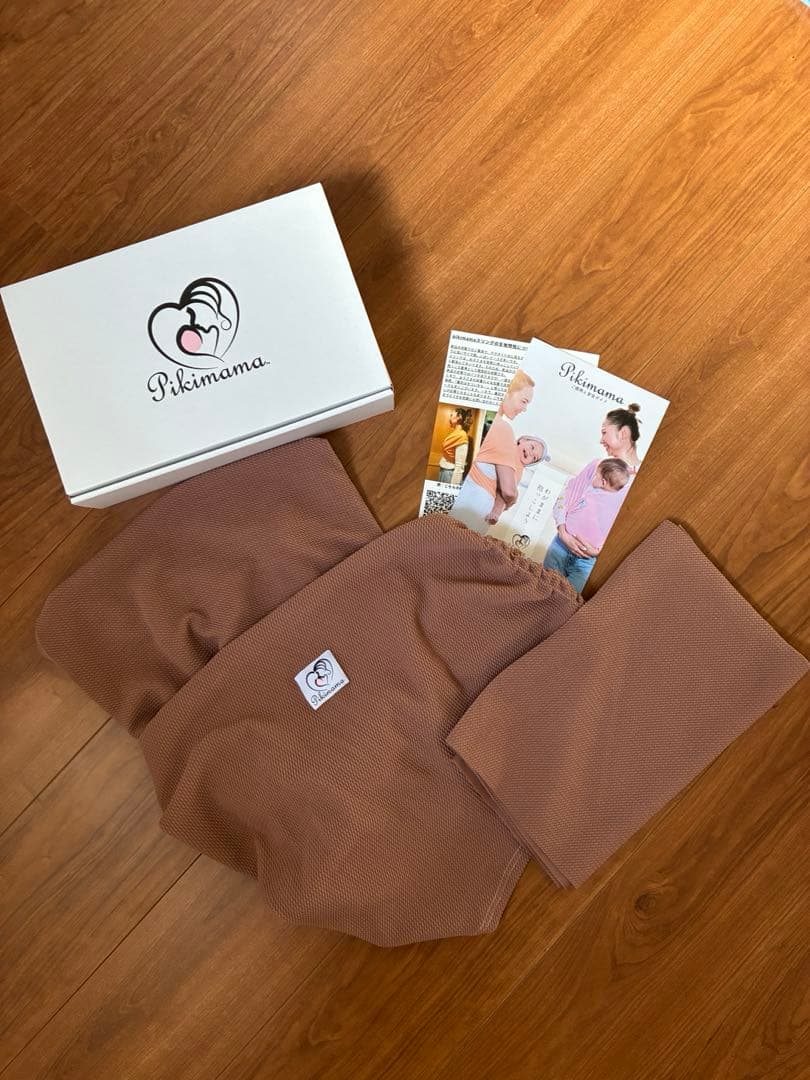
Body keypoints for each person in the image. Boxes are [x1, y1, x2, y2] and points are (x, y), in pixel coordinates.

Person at [450, 370, 535, 533]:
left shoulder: (478, 418)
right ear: (506, 392)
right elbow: (508, 491)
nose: (524, 409)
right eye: (524, 401)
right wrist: (513, 499)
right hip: (475, 508)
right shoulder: (504, 429)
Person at [543, 458, 630, 592]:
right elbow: (565, 499)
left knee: (569, 595)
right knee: (544, 583)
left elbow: (620, 534)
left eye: (596, 475)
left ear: (603, 482)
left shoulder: (623, 500)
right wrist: (563, 531)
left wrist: (598, 552)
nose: (593, 477)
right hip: (561, 544)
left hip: (587, 559)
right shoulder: (588, 485)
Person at [600, 403, 643, 475]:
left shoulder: (599, 468)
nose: (601, 441)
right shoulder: (599, 467)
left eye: (604, 432)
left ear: (623, 433)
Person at [437, 408, 472, 485]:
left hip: (450, 473)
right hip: (445, 470)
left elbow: (459, 465)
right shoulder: (456, 433)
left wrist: (453, 486)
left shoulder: (462, 436)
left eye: (451, 415)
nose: (449, 418)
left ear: (459, 417)